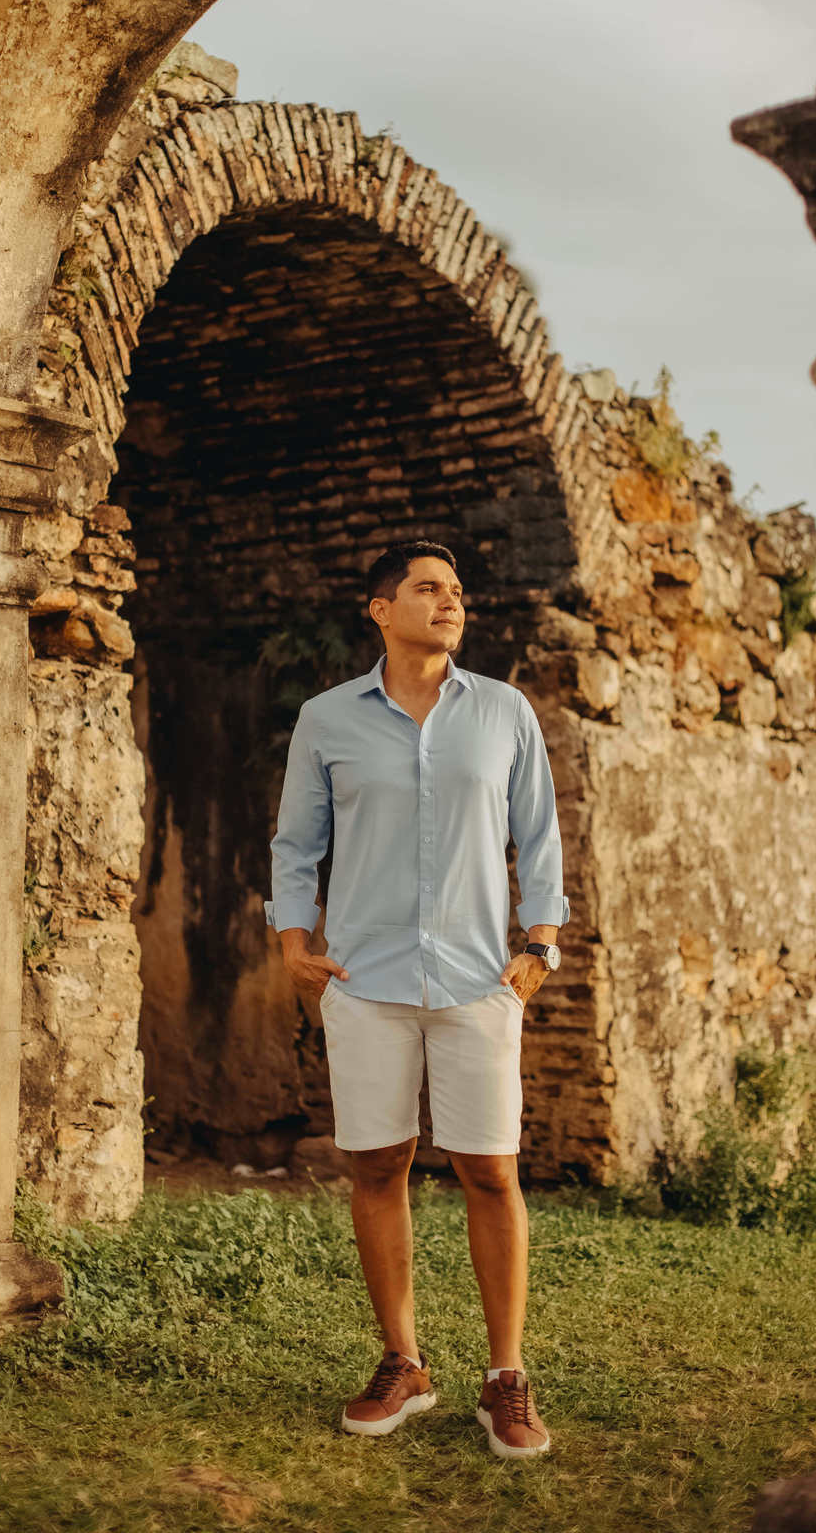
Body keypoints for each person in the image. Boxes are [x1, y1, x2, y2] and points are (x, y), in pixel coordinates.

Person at [265, 539, 569, 1458]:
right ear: (380, 608)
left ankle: (505, 1377)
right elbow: (295, 843)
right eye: (428, 590)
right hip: (366, 982)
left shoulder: (505, 712)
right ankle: (404, 1361)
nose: (450, 603)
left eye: (457, 592)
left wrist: (542, 943)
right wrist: (292, 943)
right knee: (377, 1166)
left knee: (492, 1170)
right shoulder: (326, 720)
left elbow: (540, 834)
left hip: (481, 979)